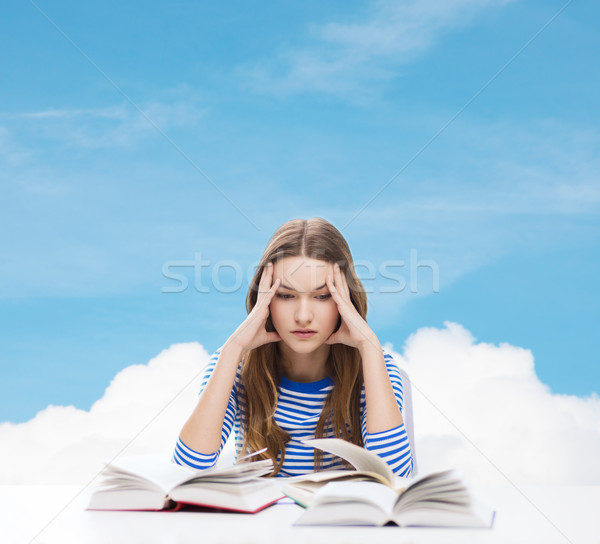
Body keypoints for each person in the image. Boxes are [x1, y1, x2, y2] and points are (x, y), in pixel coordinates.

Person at [173, 218, 413, 477]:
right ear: (264, 300)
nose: (303, 316)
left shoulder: (376, 366)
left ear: (346, 300)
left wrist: (368, 346)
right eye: (286, 296)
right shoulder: (234, 363)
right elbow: (187, 471)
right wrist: (234, 349)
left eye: (322, 296)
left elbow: (396, 478)